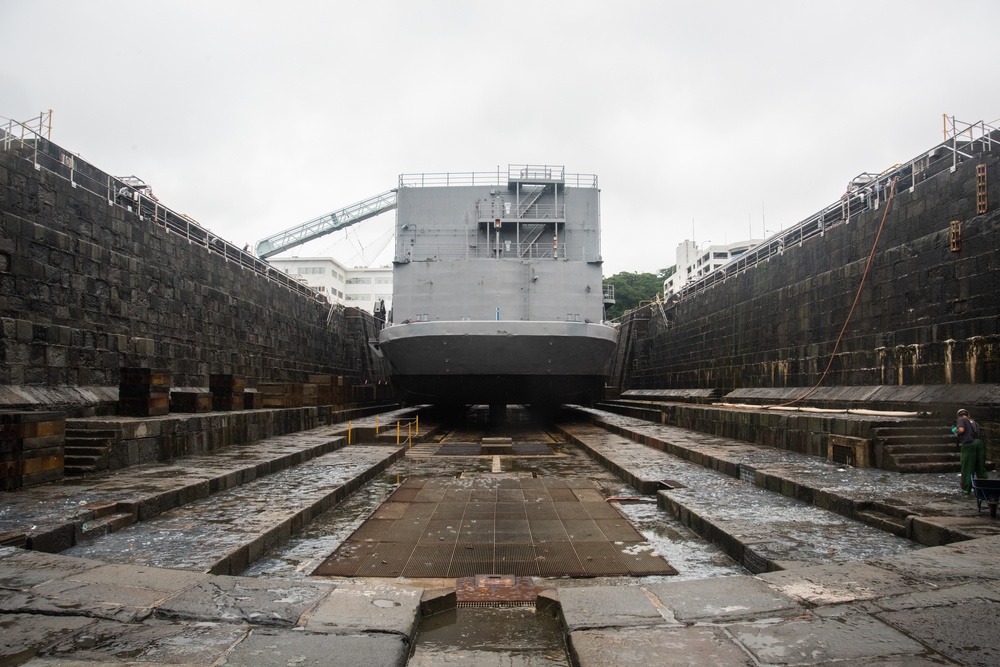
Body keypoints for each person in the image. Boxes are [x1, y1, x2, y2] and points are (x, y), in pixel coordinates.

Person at [954, 408, 986, 495]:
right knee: (980, 467)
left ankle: (966, 489)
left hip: (969, 445)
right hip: (979, 443)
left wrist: (955, 431)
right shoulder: (974, 422)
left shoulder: (961, 419)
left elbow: (961, 430)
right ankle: (983, 489)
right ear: (968, 415)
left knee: (967, 467)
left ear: (958, 416)